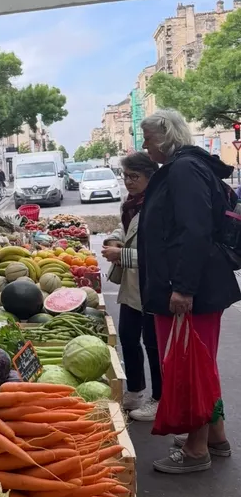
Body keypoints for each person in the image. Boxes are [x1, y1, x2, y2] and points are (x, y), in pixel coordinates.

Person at [138, 108, 241, 474]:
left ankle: (197, 451)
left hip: (188, 291)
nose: (145, 145)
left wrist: (182, 288)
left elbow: (194, 231)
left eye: (148, 137)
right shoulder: (185, 167)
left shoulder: (183, 169)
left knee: (189, 368)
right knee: (199, 365)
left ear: (165, 136)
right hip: (189, 287)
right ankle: (215, 436)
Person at [101, 152, 161, 422]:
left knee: (152, 343)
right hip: (131, 286)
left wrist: (121, 256)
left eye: (134, 177)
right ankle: (135, 389)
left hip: (152, 284)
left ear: (150, 177)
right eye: (125, 176)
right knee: (127, 336)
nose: (128, 182)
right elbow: (123, 229)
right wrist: (114, 240)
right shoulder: (130, 204)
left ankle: (159, 398)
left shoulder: (158, 206)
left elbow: (161, 254)